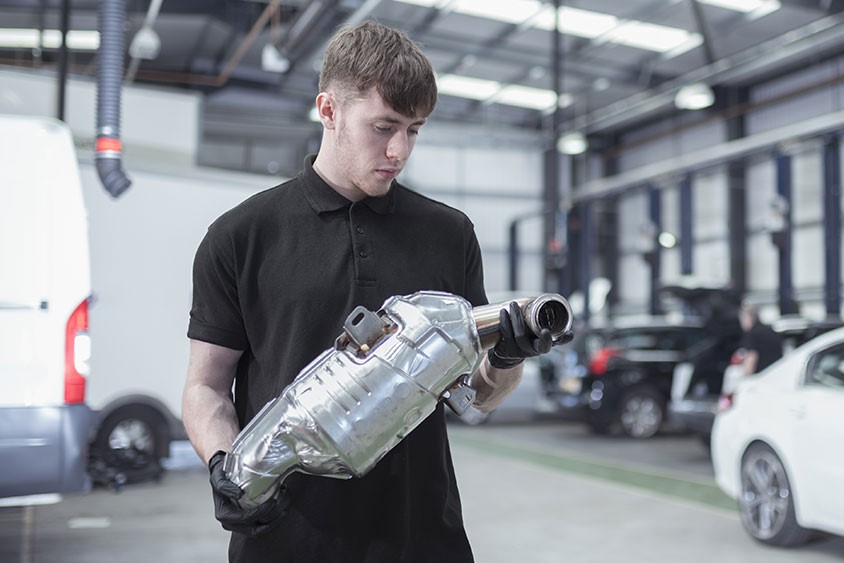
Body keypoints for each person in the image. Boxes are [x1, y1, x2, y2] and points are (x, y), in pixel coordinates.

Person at [181, 21, 567, 563]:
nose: (399, 149)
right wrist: (225, 466)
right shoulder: (242, 236)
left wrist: (507, 356)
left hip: (423, 538)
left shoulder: (449, 234)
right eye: (383, 126)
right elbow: (207, 387)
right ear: (329, 110)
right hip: (287, 541)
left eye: (414, 130)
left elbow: (475, 398)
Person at [737, 302, 783, 375]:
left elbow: (751, 357)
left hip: (761, 376)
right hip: (776, 373)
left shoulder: (752, 333)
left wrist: (745, 377)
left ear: (748, 318)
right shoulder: (771, 331)